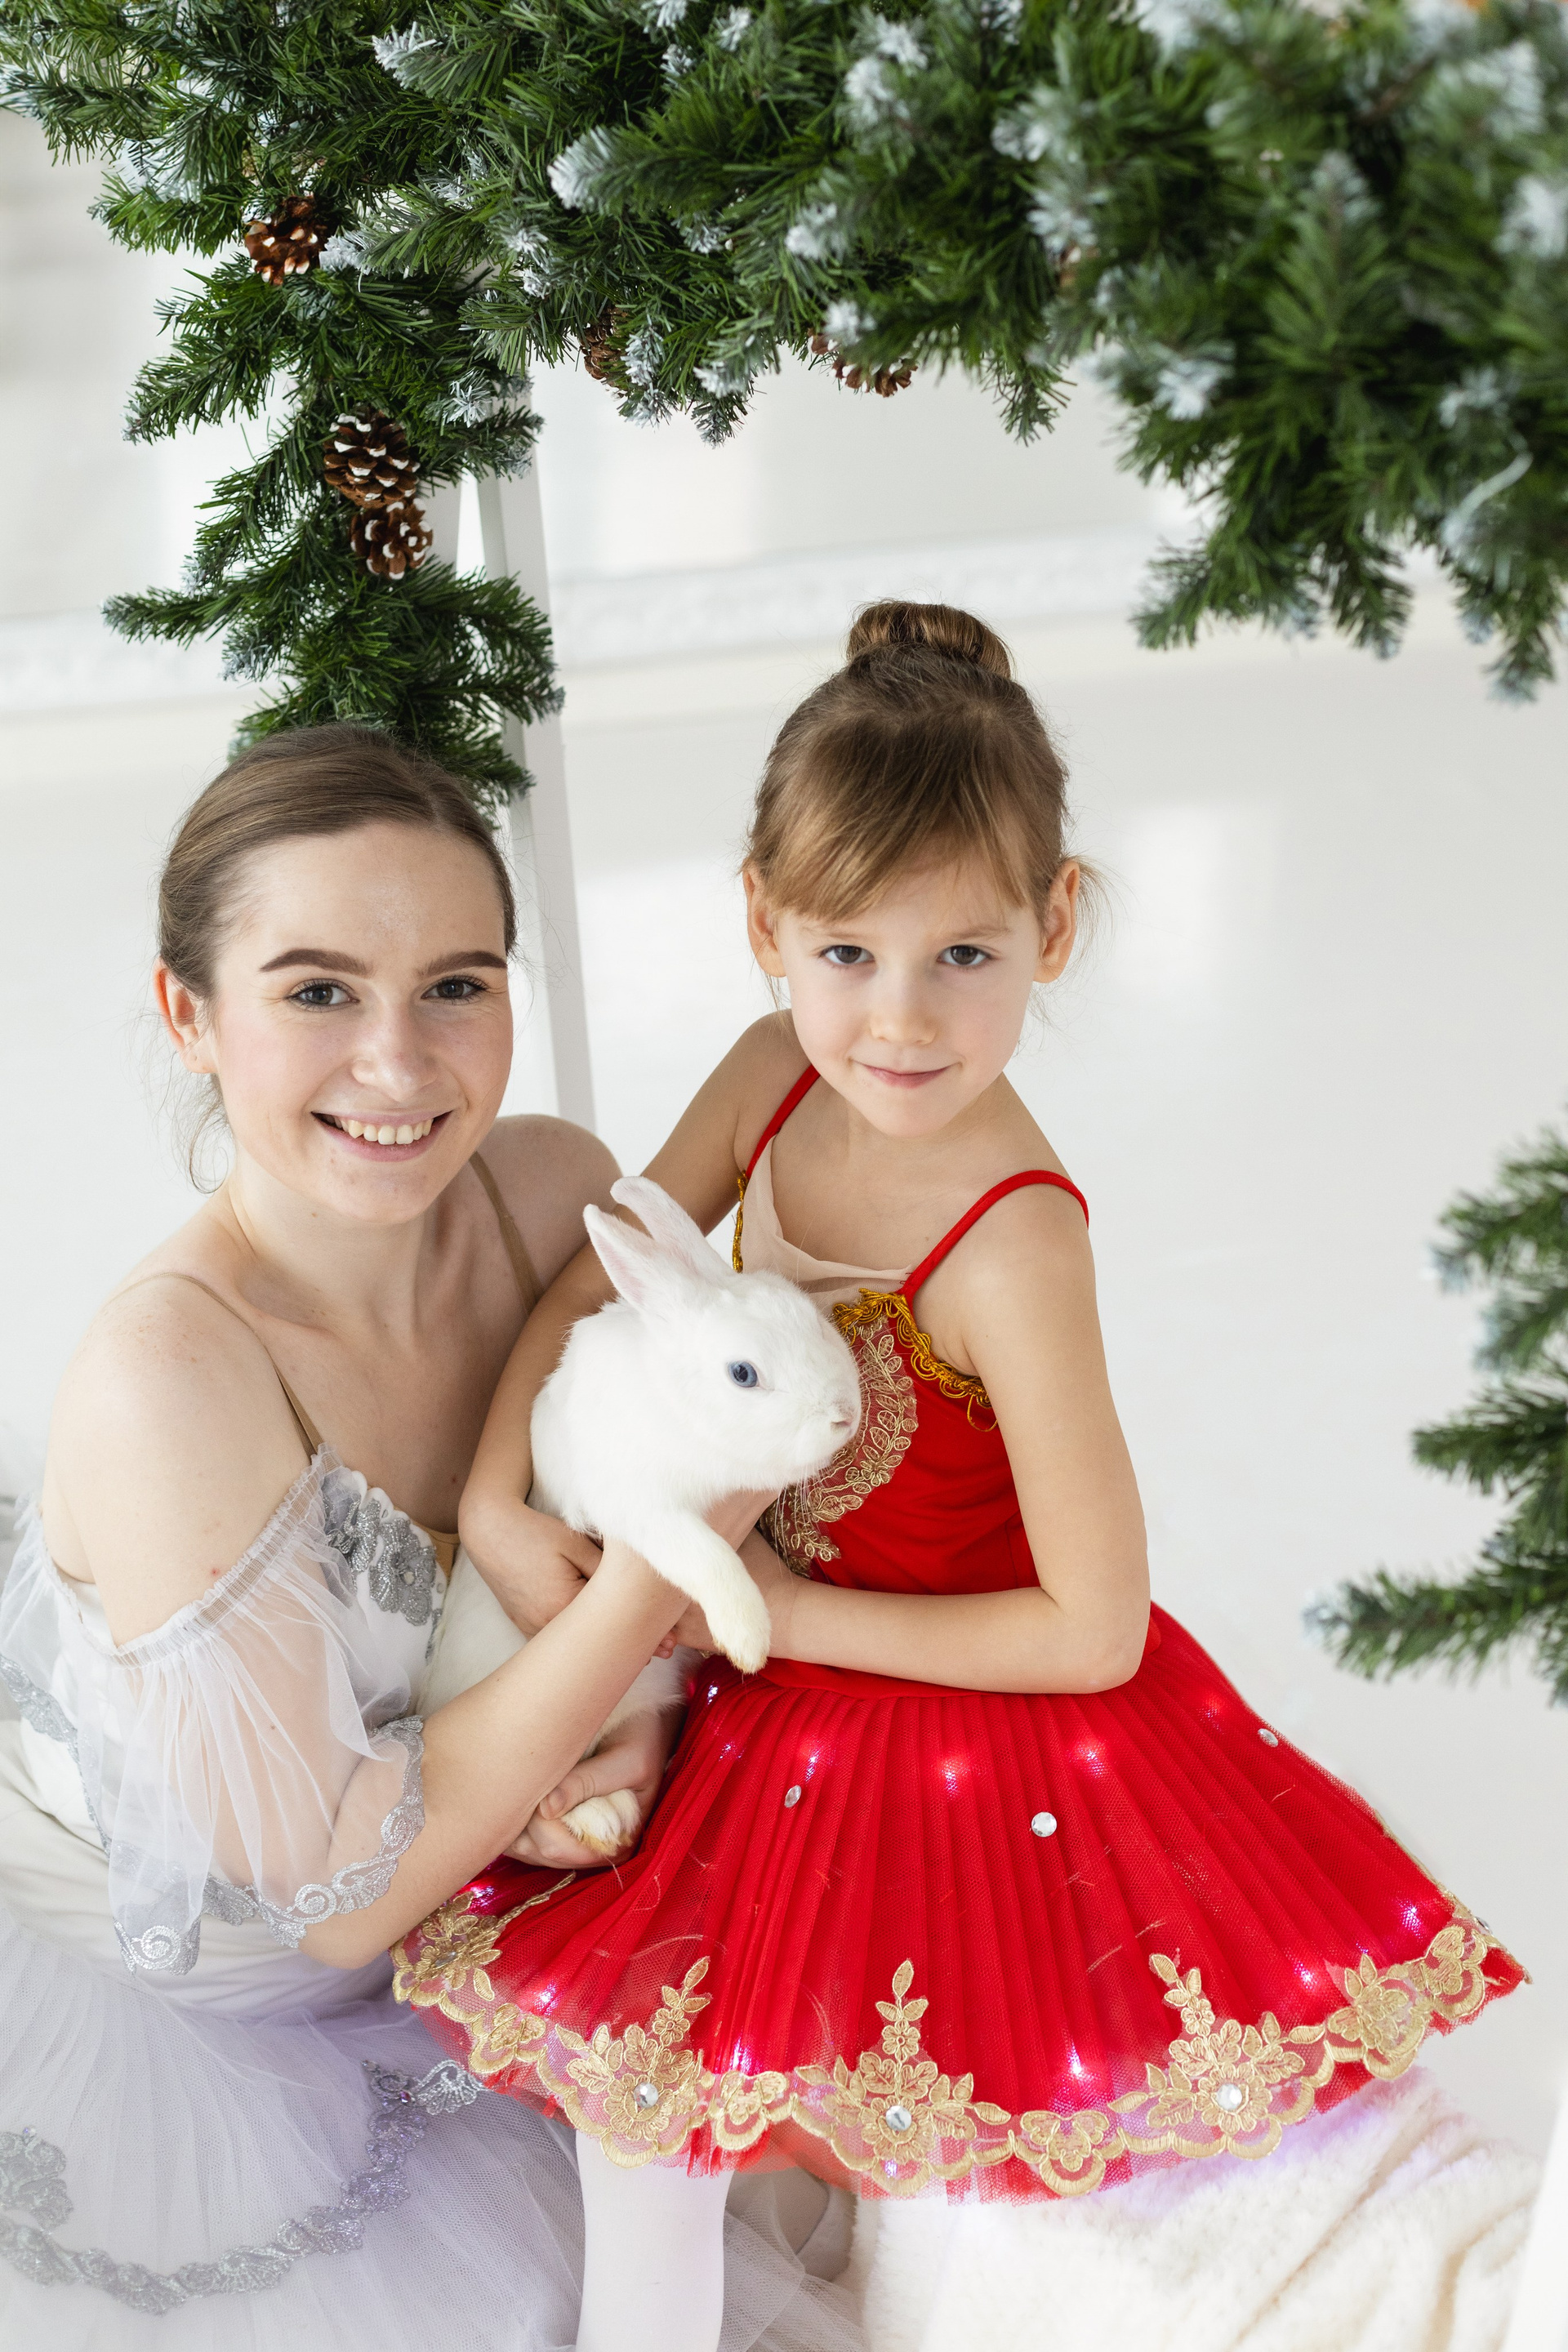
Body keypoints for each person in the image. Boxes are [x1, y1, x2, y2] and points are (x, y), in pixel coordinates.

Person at [408, 604, 1526, 2352]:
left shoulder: (1014, 1246)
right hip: (756, 1657)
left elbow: (1091, 1626)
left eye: (964, 955)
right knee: (645, 2128)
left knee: (889, 2127)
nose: (899, 1019)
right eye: (847, 952)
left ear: (1054, 926)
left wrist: (780, 1611)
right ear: (765, 925)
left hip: (946, 1695)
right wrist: (494, 1499)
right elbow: (599, 1278)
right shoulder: (772, 1079)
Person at [0, 725, 862, 2352]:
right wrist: (669, 1567)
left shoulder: (550, 1194)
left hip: (475, 1903)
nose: (399, 1065)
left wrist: (616, 1748)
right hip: (232, 2013)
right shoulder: (171, 1374)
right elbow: (336, 1896)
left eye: (456, 985)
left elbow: (590, 1541)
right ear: (189, 1014)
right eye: (319, 991)